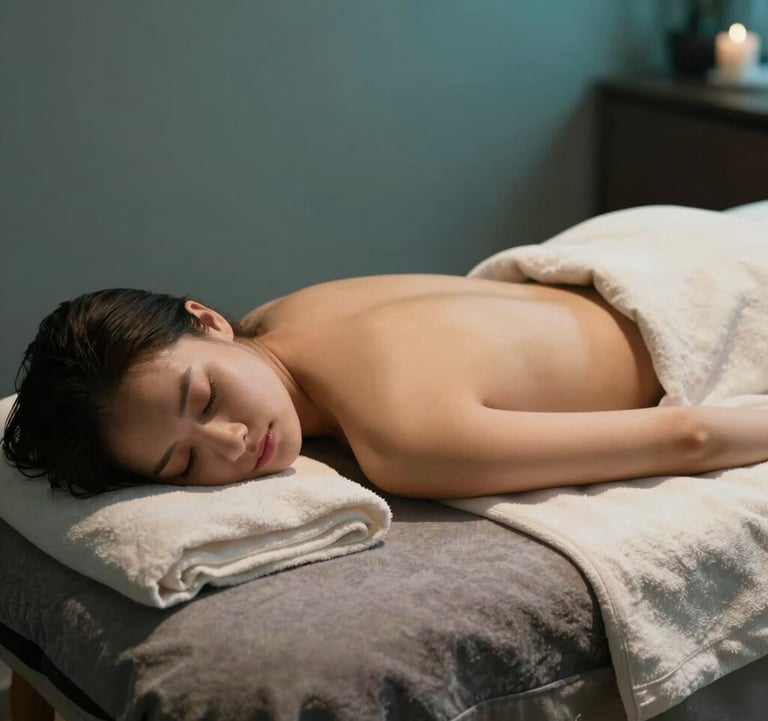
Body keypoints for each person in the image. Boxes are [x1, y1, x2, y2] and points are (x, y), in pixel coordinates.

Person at [4, 273, 768, 499]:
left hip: (719, 299)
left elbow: (691, 435)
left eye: (203, 400)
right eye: (182, 464)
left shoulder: (406, 439)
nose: (230, 441)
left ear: (207, 319)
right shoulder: (286, 309)